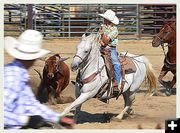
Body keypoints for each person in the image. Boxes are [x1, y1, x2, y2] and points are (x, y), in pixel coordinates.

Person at [4, 29, 74, 129]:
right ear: (33, 58)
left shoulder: (19, 75)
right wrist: (27, 120)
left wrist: (57, 118)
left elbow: (31, 104)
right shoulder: (12, 77)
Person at [98, 9, 121, 93]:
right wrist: (100, 40)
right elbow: (99, 40)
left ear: (108, 20)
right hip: (101, 48)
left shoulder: (115, 30)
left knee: (116, 64)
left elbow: (106, 40)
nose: (103, 20)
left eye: (105, 19)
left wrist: (102, 34)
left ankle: (116, 83)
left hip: (111, 49)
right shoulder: (102, 27)